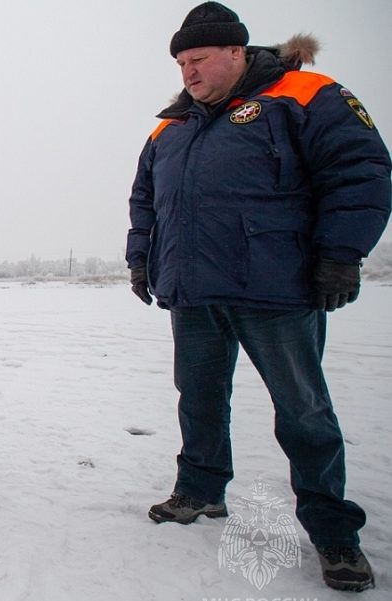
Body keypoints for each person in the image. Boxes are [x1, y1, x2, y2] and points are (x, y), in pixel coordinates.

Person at [126, 2, 391, 593]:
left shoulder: (304, 95)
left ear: (236, 53)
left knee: (303, 410)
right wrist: (141, 259)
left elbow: (360, 171)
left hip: (275, 288)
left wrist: (341, 254)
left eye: (197, 60)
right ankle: (200, 490)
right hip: (194, 291)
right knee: (197, 398)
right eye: (180, 63)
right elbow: (145, 202)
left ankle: (331, 529)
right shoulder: (171, 126)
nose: (187, 73)